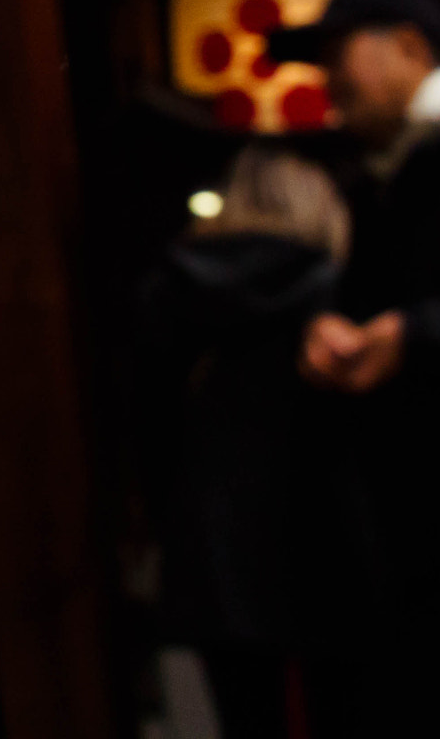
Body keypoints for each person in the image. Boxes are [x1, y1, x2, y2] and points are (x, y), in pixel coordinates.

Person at [271, 0, 440, 735]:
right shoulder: (387, 171)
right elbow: (371, 301)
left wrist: (417, 337)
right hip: (422, 537)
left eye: (339, 56)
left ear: (409, 47)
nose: (328, 84)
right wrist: (332, 329)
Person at [137, 147, 373, 738]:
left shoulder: (170, 291)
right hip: (328, 541)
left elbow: (150, 432)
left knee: (245, 721)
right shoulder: (343, 289)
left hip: (214, 548)